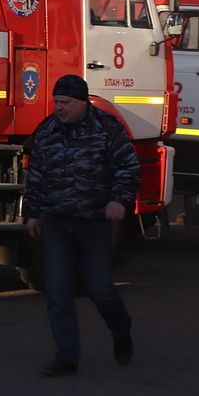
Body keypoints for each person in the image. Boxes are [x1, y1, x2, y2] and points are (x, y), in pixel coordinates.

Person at [23, 73, 140, 377]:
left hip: (93, 223)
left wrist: (119, 200)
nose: (59, 107)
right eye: (56, 101)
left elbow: (128, 168)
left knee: (99, 287)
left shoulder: (107, 129)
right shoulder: (46, 131)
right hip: (57, 223)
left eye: (65, 102)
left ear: (82, 102)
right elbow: (35, 175)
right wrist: (32, 213)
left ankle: (120, 330)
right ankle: (66, 357)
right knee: (58, 291)